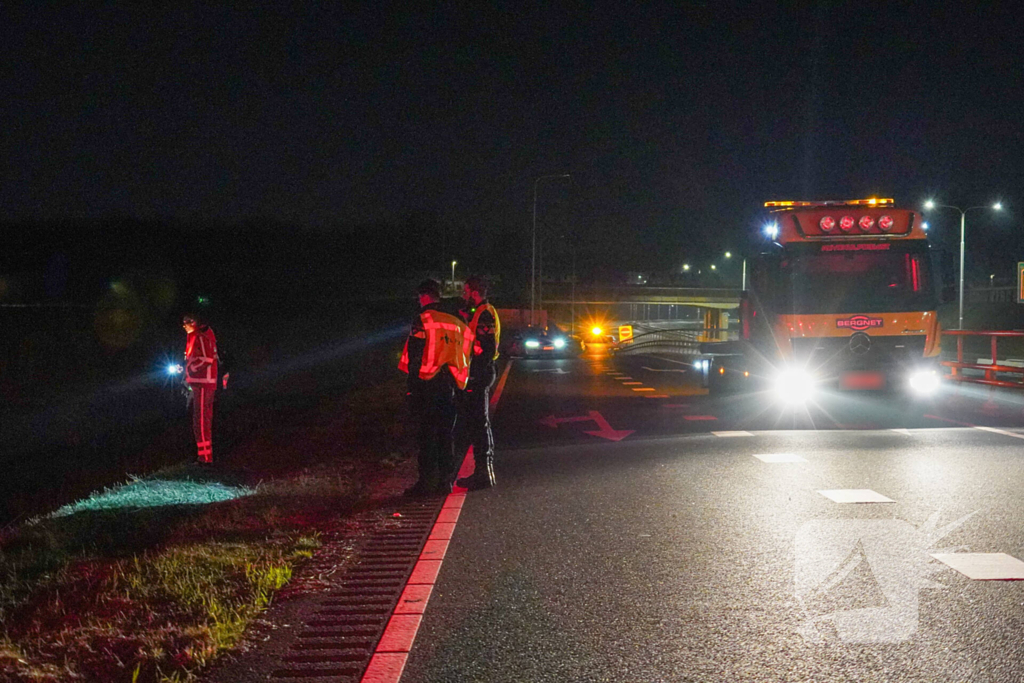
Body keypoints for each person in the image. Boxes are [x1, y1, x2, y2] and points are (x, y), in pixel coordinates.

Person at [399, 279, 471, 496]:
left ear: (424, 296)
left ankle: (425, 483)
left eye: (419, 298)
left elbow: (415, 355)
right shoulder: (456, 322)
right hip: (450, 384)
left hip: (426, 385)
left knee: (427, 435)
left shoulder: (423, 320)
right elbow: (467, 351)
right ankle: (446, 482)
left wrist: (411, 387)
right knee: (446, 433)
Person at [456, 275, 501, 490]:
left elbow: (486, 347)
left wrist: (474, 372)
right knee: (478, 422)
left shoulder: (484, 314)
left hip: (480, 372)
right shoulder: (482, 313)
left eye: (466, 291)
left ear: (475, 292)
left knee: (479, 423)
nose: (464, 295)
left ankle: (483, 473)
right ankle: (483, 471)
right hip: (480, 371)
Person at [182, 313, 219, 465]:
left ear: (196, 322)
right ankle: (202, 456)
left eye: (187, 322)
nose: (184, 325)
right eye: (183, 322)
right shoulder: (193, 337)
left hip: (204, 382)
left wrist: (190, 370)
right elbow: (193, 359)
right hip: (198, 382)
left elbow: (207, 358)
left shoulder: (201, 337)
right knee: (199, 419)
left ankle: (205, 459)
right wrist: (185, 370)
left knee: (202, 420)